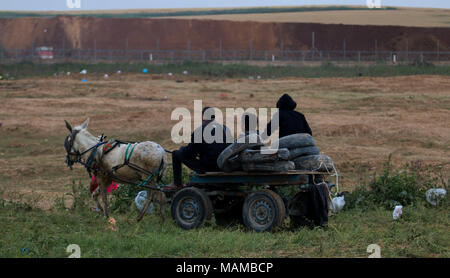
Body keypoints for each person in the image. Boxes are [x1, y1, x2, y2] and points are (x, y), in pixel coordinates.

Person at [168, 107, 231, 189]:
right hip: (224, 165)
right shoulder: (226, 129)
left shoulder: (200, 131)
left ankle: (177, 183)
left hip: (209, 167)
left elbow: (189, 154)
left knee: (176, 154)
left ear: (203, 117)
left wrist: (182, 149)